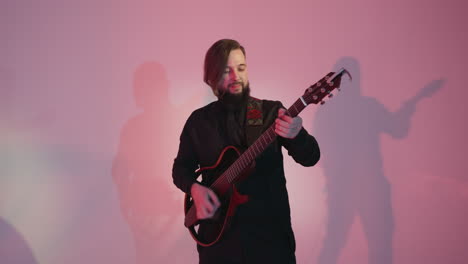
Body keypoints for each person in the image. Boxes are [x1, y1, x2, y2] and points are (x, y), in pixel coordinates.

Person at [172, 39, 320, 264]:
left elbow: (311, 157)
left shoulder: (270, 112)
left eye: (241, 68)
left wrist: (297, 135)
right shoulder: (198, 122)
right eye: (226, 70)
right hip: (218, 243)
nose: (236, 76)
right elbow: (180, 169)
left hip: (270, 243)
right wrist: (195, 189)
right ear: (211, 77)